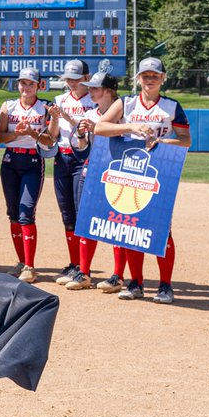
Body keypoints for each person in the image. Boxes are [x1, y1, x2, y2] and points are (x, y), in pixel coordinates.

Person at [91, 57, 191, 303]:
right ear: (138, 78)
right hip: (128, 169)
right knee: (130, 227)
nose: (150, 79)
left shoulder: (171, 106)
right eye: (146, 75)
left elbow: (185, 140)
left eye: (155, 75)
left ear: (163, 78)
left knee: (161, 229)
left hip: (158, 170)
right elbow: (100, 127)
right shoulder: (126, 103)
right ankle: (136, 283)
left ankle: (165, 286)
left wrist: (162, 141)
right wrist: (129, 127)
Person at [0, 68, 56, 282]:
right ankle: (22, 262)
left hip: (33, 161)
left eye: (31, 83)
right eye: (23, 83)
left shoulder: (45, 107)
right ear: (18, 84)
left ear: (39, 85)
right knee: (13, 213)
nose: (26, 87)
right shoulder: (8, 106)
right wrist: (17, 133)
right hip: (10, 161)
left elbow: (50, 140)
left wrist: (31, 133)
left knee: (26, 212)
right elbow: (0, 137)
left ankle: (30, 266)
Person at [64, 71, 121, 290]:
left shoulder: (122, 113)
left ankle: (118, 276)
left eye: (95, 88)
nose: (91, 91)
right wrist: (80, 134)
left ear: (109, 91)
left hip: (116, 170)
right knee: (85, 221)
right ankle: (84, 273)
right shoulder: (90, 113)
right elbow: (82, 148)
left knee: (117, 222)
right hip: (92, 168)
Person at [48, 59, 96, 284]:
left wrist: (66, 117)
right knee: (67, 214)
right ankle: (74, 263)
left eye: (76, 79)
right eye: (68, 79)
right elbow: (53, 134)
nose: (72, 83)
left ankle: (84, 268)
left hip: (84, 156)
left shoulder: (93, 99)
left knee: (81, 212)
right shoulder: (60, 99)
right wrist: (54, 118)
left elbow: (88, 126)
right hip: (62, 156)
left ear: (87, 77)